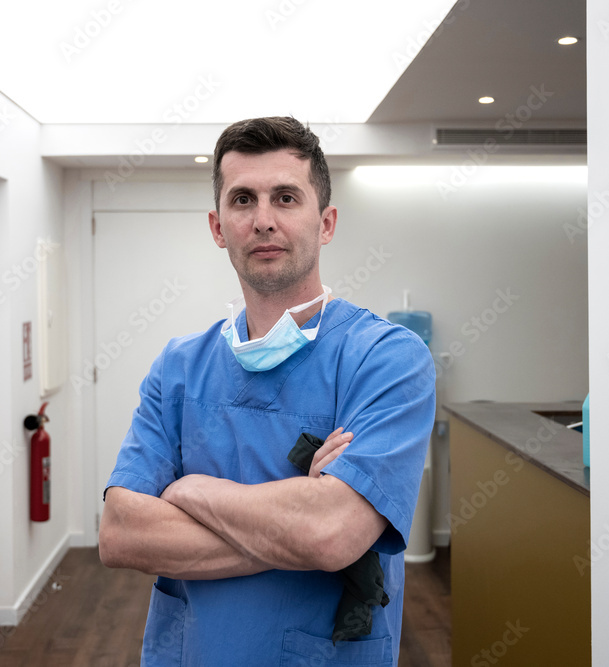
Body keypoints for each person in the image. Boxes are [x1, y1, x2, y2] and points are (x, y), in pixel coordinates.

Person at [99, 116, 435, 666]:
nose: (263, 221)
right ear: (217, 226)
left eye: (285, 197)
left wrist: (189, 490)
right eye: (242, 200)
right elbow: (120, 534)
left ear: (325, 222)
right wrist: (294, 521)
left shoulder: (386, 360)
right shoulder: (179, 367)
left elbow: (331, 534)